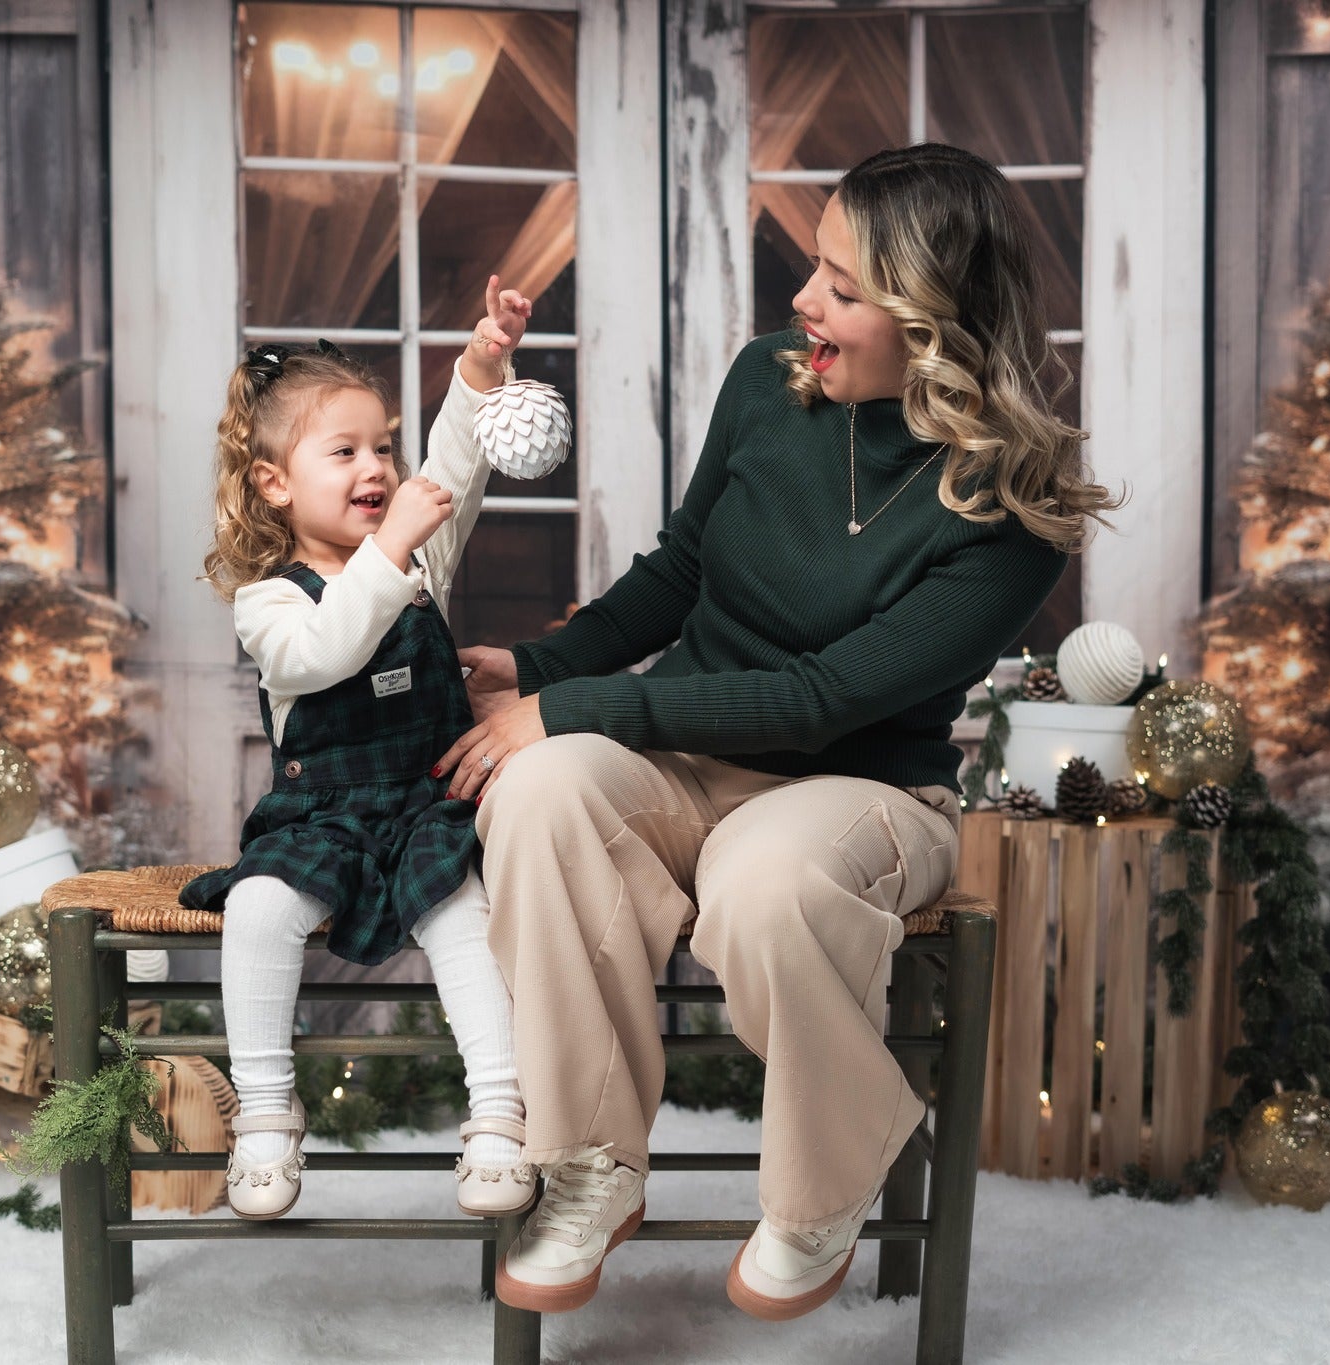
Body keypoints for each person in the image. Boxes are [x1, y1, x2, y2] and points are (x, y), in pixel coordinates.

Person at [435, 144, 1121, 1318]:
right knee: (539, 790)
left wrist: (573, 704)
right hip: (684, 761)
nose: (804, 302)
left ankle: (825, 1179)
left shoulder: (1010, 512)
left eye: (843, 289)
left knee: (764, 885)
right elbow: (679, 571)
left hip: (863, 792)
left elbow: (821, 699)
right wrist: (536, 670)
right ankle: (589, 1163)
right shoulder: (771, 379)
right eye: (815, 267)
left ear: (934, 322)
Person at [184, 278, 544, 1222]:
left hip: (425, 806)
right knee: (259, 907)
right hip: (324, 816)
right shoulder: (270, 598)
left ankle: (500, 1115)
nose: (376, 465)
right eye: (342, 450)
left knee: (465, 916)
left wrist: (482, 366)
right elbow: (326, 648)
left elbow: (453, 467)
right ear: (275, 482)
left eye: (382, 444)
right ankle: (265, 1113)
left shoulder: (413, 554)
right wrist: (394, 554)